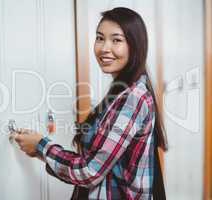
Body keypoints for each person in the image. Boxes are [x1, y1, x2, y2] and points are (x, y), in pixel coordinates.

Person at [14, 7, 168, 200]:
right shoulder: (122, 91)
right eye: (100, 38)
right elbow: (99, 164)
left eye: (117, 40)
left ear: (135, 45)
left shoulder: (133, 98)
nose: (104, 48)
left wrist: (41, 146)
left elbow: (89, 171)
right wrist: (40, 151)